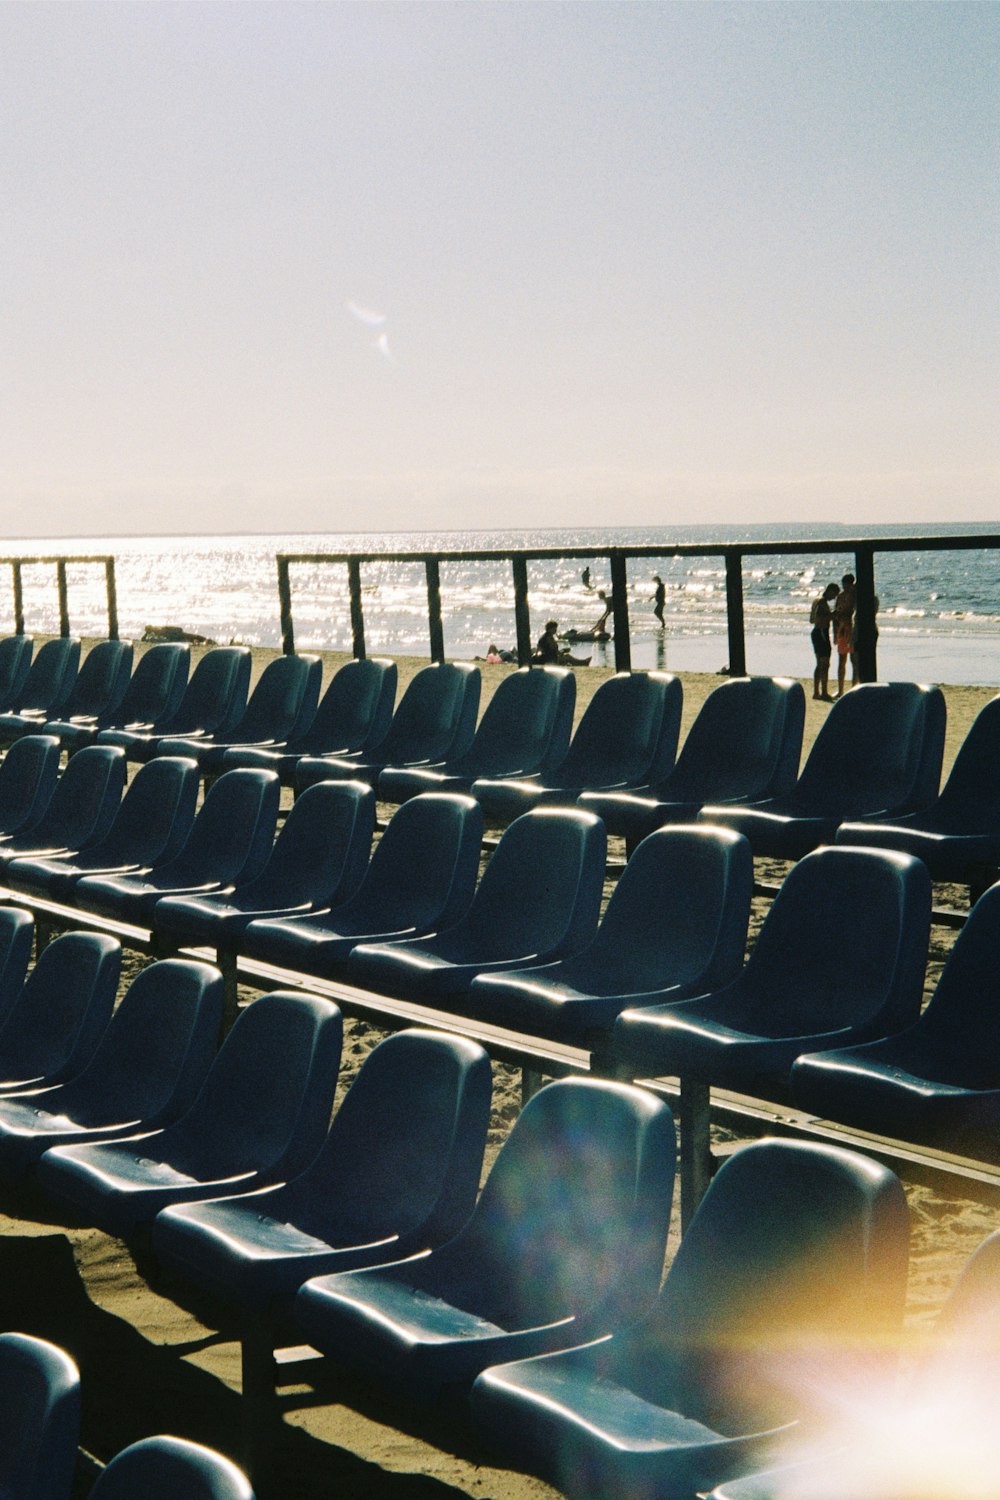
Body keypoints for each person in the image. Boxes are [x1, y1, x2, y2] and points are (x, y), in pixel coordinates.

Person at [809, 582, 840, 701]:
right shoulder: (822, 603)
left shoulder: (816, 601)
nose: (834, 598)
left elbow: (811, 620)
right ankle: (824, 692)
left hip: (816, 632)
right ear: (830, 591)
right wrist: (833, 615)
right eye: (834, 595)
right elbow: (819, 618)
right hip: (822, 632)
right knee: (825, 664)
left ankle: (817, 691)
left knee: (819, 664)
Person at [833, 573, 856, 697]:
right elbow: (835, 615)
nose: (845, 587)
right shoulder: (841, 597)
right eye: (844, 585)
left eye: (847, 585)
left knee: (854, 660)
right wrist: (835, 633)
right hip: (842, 629)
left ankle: (854, 688)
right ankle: (840, 689)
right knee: (842, 660)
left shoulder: (855, 595)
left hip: (851, 629)